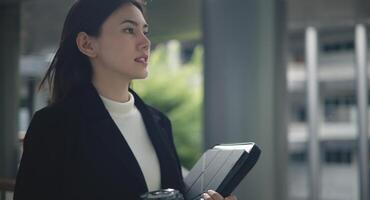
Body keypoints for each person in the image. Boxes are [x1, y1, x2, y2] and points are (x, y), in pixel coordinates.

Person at [13, 0, 237, 200]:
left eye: (145, 31)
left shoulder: (160, 122)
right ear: (87, 44)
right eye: (129, 30)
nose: (145, 42)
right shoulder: (54, 125)